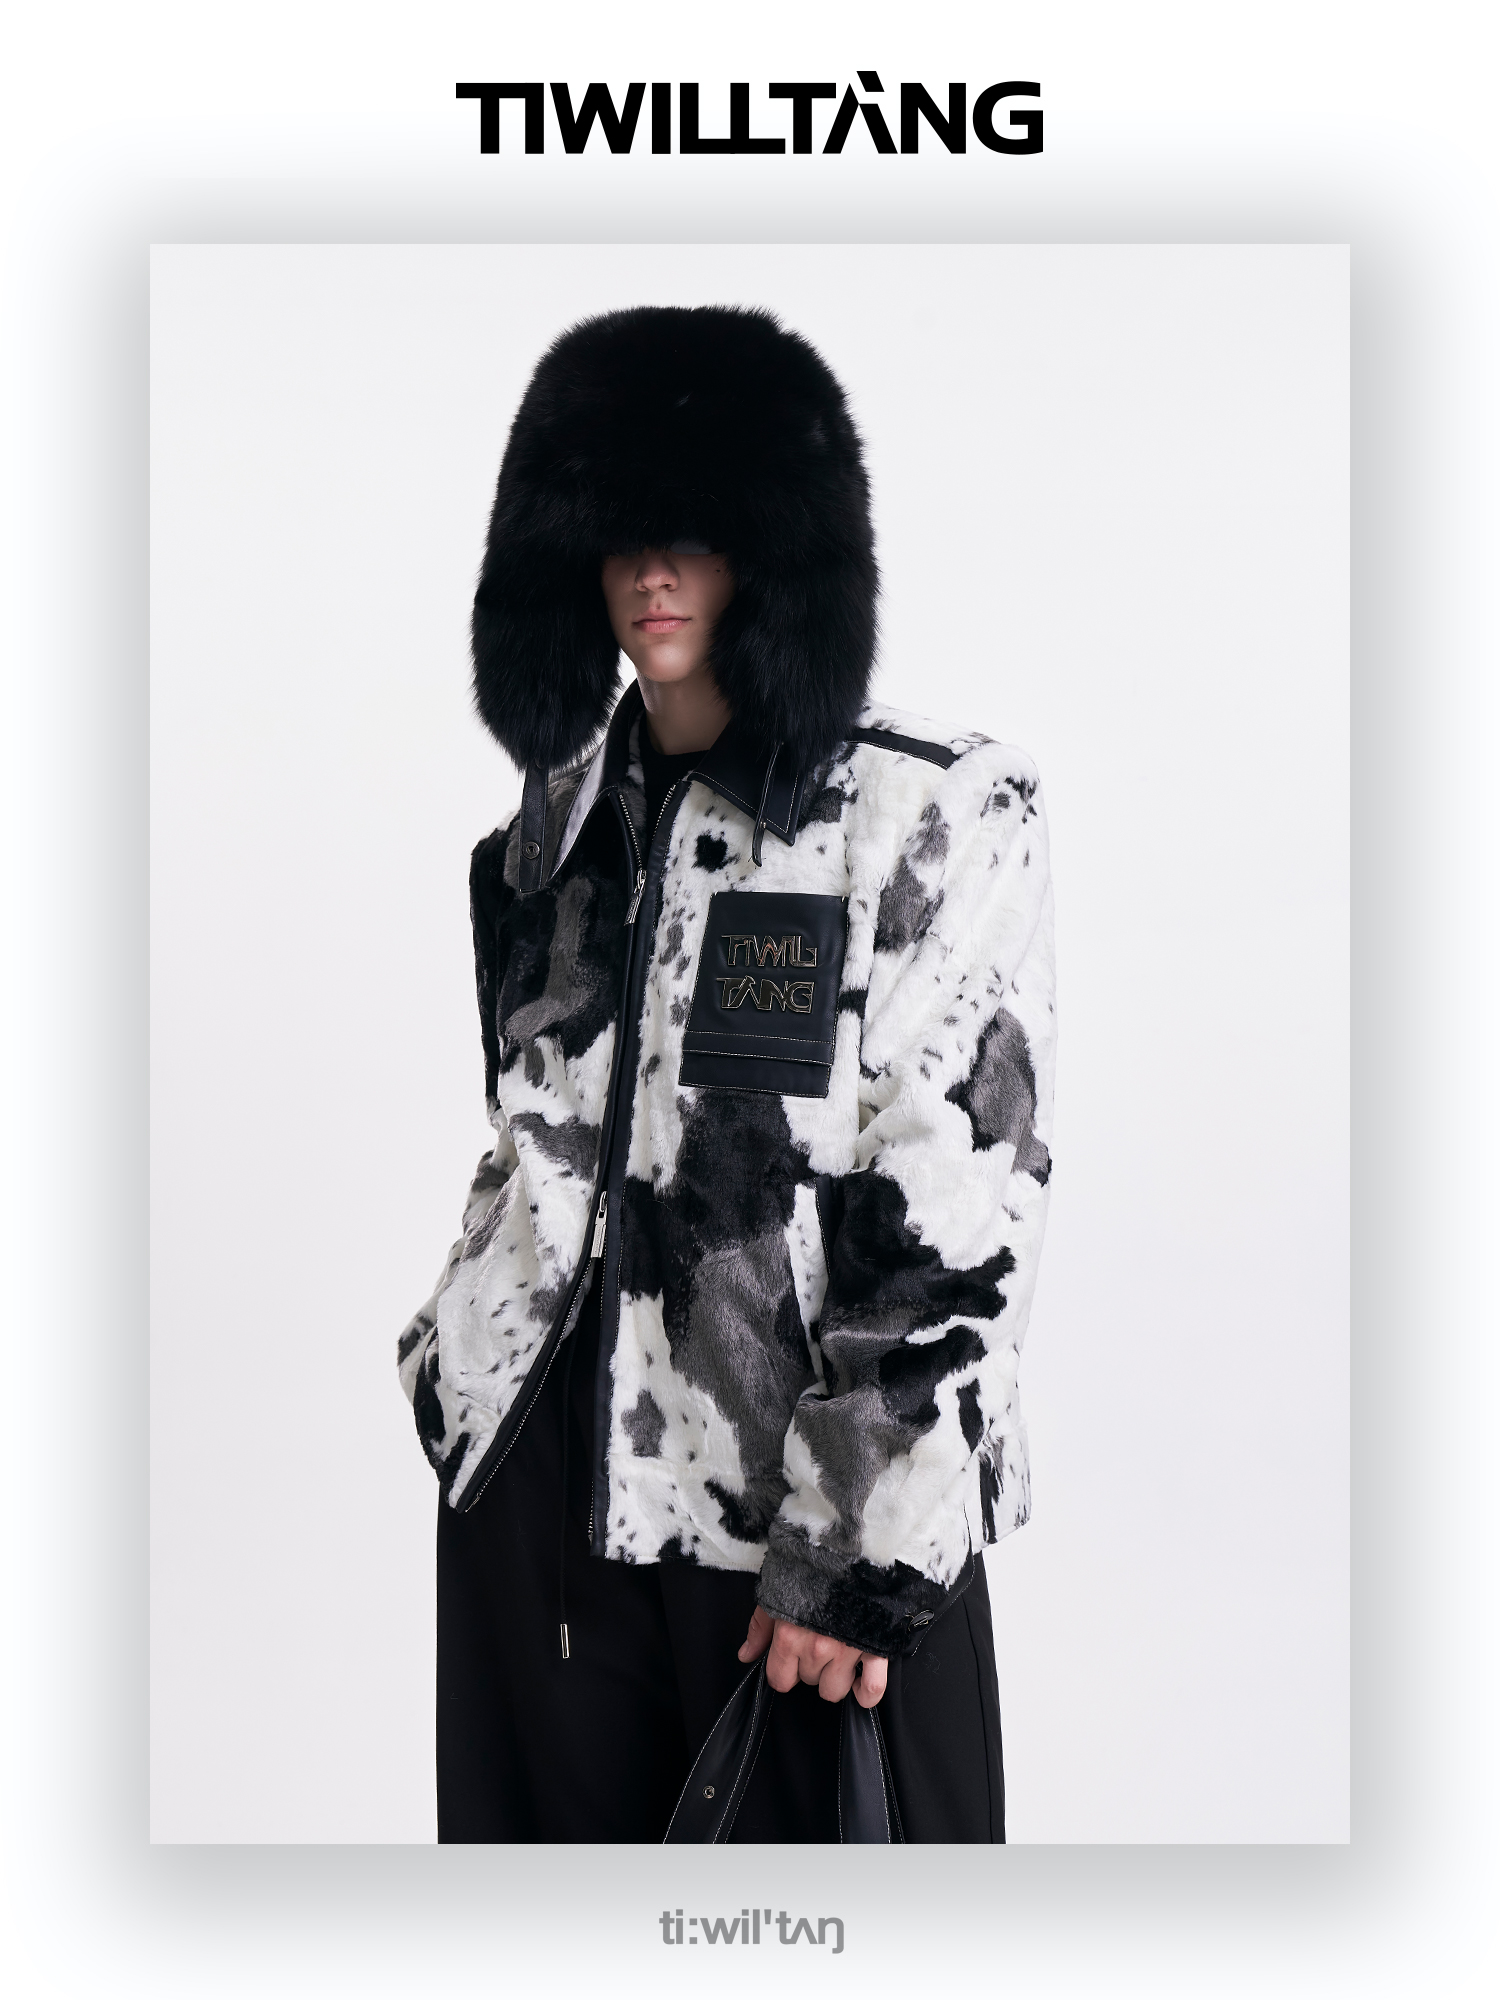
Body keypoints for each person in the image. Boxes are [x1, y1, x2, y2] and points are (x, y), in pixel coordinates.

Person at [397, 304, 1056, 1843]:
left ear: (777, 545)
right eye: (620, 534)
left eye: (694, 532)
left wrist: (862, 1551)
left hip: (795, 1557)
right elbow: (530, 1147)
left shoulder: (929, 812)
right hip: (543, 1533)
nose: (653, 571)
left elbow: (960, 1198)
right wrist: (454, 1371)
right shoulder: (540, 850)